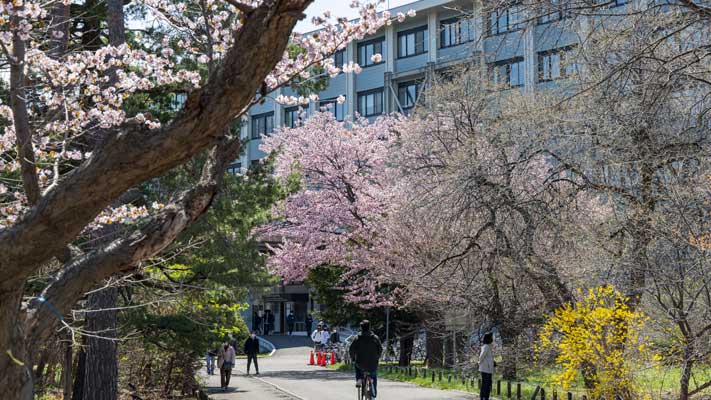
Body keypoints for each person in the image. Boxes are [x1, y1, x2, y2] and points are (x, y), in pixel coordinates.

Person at [349, 320, 382, 398]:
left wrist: (353, 358)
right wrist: (377, 357)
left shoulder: (357, 338)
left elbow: (351, 350)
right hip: (373, 363)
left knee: (357, 368)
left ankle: (359, 379)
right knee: (373, 376)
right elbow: (380, 349)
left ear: (361, 328)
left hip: (360, 363)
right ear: (369, 327)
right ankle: (373, 393)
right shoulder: (375, 338)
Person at [478, 332, 495, 400]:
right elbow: (481, 356)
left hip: (488, 368)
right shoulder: (486, 346)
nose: (492, 338)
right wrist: (479, 362)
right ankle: (483, 397)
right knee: (485, 383)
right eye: (491, 337)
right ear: (489, 338)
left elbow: (488, 357)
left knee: (488, 383)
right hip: (485, 368)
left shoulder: (488, 346)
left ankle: (486, 397)